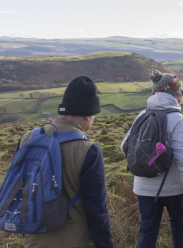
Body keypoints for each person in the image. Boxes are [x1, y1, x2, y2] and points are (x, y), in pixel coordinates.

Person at [17, 76, 113, 248]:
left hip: (33, 240)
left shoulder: (27, 139)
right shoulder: (88, 151)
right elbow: (97, 213)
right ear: (88, 114)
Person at [120, 70, 183, 248]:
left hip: (143, 188)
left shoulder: (142, 115)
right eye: (181, 92)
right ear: (173, 93)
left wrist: (146, 163)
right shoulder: (177, 118)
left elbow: (124, 146)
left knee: (148, 230)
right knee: (179, 226)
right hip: (173, 188)